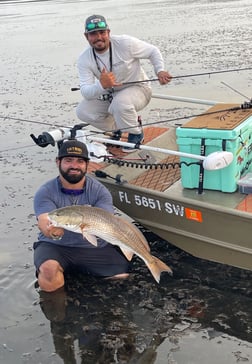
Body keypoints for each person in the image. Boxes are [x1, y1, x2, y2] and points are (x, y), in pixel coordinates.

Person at [33, 139, 130, 292]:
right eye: (68, 160)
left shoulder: (100, 191)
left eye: (80, 161)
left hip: (92, 247)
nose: (74, 166)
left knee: (121, 275)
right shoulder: (45, 191)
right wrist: (52, 232)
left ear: (87, 164)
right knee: (49, 270)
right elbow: (45, 219)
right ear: (58, 162)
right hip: (57, 246)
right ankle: (58, 313)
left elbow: (109, 221)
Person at [76, 14, 172, 151]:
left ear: (108, 32)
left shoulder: (125, 43)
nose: (98, 37)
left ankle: (135, 133)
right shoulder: (84, 59)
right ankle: (117, 130)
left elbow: (153, 51)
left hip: (139, 89)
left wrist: (160, 71)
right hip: (110, 94)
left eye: (102, 32)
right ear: (86, 36)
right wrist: (101, 85)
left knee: (120, 103)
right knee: (82, 111)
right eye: (93, 34)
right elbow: (86, 92)